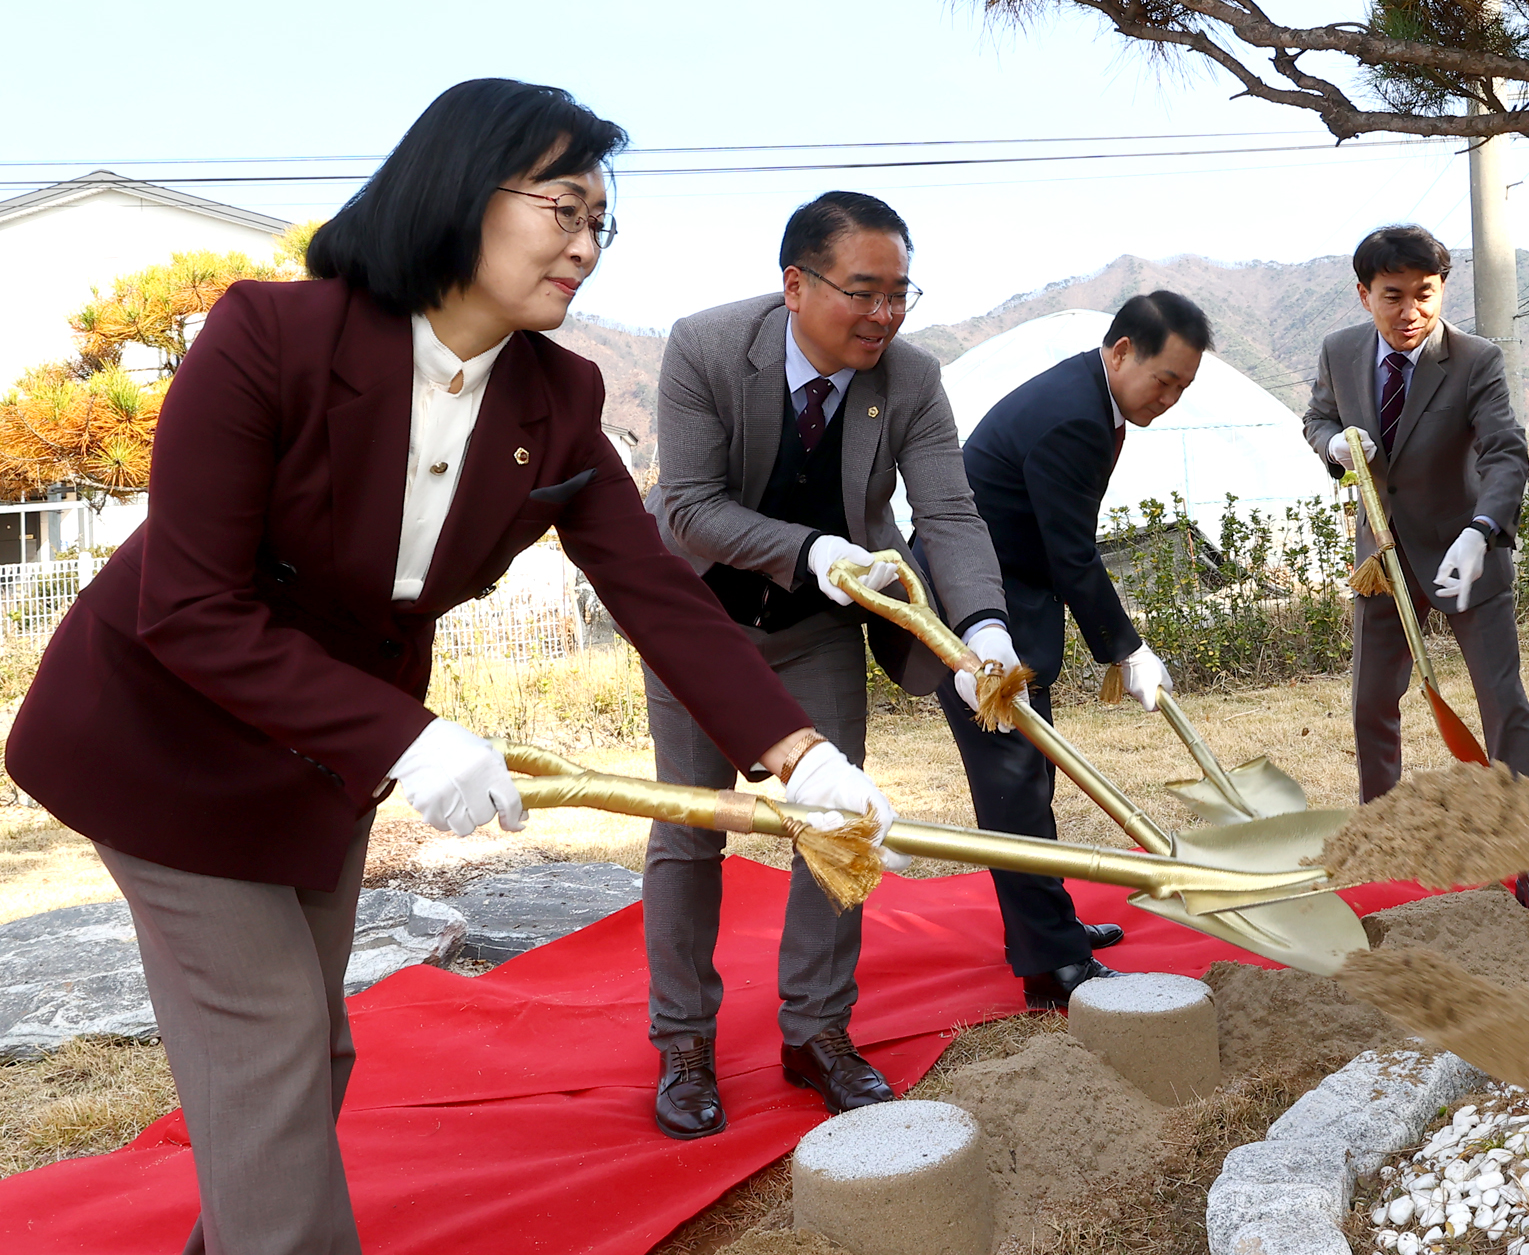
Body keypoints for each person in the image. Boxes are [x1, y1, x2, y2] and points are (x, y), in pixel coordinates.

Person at [2, 79, 896, 1255]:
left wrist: (799, 754)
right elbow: (189, 609)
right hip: (158, 741)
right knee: (272, 1035)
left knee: (308, 1051)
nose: (585, 244)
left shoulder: (556, 394)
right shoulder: (270, 337)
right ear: (460, 192)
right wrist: (412, 740)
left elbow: (655, 590)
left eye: (600, 222)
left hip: (318, 765)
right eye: (562, 207)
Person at [642, 189, 1093, 1134]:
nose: (884, 315)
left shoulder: (914, 379)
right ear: (795, 284)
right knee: (691, 831)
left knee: (836, 821)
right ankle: (684, 1042)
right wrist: (809, 549)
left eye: (900, 293)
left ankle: (817, 1033)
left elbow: (951, 514)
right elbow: (684, 506)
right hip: (702, 622)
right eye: (863, 292)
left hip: (817, 627)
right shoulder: (706, 347)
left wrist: (984, 631)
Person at [941, 291, 1210, 1002]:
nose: (1171, 398)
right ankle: (1052, 968)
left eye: (1184, 387)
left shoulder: (1092, 398)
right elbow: (1072, 554)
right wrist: (1127, 648)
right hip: (978, 614)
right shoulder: (1073, 418)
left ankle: (1046, 929)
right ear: (1123, 352)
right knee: (1015, 787)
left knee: (1032, 775)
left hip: (1013, 598)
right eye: (1165, 380)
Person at [1300, 225, 1529, 911]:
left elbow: (1506, 452)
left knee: (1502, 705)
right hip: (1382, 561)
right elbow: (1318, 419)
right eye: (1393, 296)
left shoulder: (1477, 359)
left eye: (1425, 294)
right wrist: (1335, 445)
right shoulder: (1338, 351)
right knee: (1369, 704)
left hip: (1466, 556)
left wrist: (1484, 531)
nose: (1411, 310)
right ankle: (1383, 835)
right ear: (1365, 296)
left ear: (1441, 290)